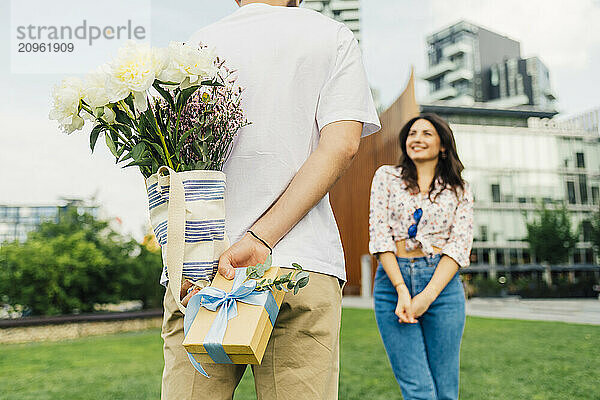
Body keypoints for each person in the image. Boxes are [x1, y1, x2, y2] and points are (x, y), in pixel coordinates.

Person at [160, 1, 381, 399]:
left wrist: (183, 257)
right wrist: (261, 239)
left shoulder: (194, 46)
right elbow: (342, 146)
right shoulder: (331, 36)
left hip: (204, 269)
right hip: (299, 261)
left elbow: (168, 167)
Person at [369, 113, 473, 400]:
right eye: (412, 133)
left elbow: (459, 245)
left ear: (442, 145)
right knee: (419, 391)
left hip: (442, 286)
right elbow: (379, 236)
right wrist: (402, 290)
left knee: (445, 391)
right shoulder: (386, 177)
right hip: (392, 284)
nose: (417, 138)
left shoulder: (459, 189)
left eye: (427, 133)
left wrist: (426, 296)